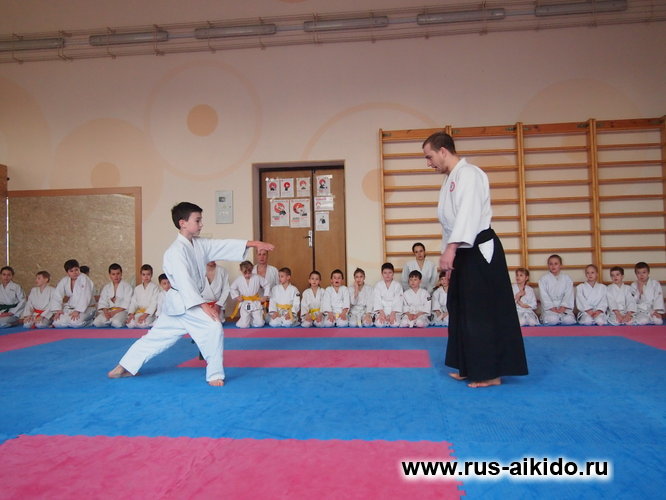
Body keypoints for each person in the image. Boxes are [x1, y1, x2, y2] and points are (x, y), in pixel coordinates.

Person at [108, 201, 274, 386]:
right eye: (198, 220)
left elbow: (222, 245)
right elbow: (184, 282)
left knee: (157, 337)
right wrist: (204, 306)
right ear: (183, 223)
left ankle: (123, 366)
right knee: (213, 327)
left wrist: (254, 243)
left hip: (180, 304)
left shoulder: (198, 244)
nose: (201, 224)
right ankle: (214, 375)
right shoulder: (175, 252)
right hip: (186, 302)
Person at [423, 131, 527, 388]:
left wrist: (451, 249)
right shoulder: (450, 179)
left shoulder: (469, 174)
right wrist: (447, 256)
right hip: (461, 250)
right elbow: (448, 223)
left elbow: (467, 216)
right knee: (460, 308)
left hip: (479, 250)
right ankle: (468, 366)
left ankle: (490, 373)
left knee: (481, 312)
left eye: (429, 157)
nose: (428, 163)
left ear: (443, 151)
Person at [52, 259, 96, 328]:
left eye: (76, 270)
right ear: (67, 272)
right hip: (70, 308)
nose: (74, 272)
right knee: (57, 323)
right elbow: (57, 294)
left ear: (79, 269)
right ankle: (70, 321)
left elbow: (85, 296)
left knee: (75, 323)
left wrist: (78, 311)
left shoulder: (84, 279)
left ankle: (90, 321)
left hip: (86, 308)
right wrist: (58, 310)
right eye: (71, 271)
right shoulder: (65, 280)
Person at [230, 261, 270, 328]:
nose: (247, 275)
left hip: (255, 302)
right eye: (245, 273)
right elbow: (232, 288)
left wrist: (265, 296)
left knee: (260, 324)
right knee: (243, 325)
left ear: (252, 270)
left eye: (249, 273)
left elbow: (267, 284)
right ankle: (247, 320)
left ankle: (251, 320)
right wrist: (237, 297)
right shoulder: (239, 279)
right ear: (241, 270)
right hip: (245, 302)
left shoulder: (257, 277)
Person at [538, 255, 576, 326]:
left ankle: (562, 317)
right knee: (553, 320)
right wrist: (552, 307)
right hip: (550, 309)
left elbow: (569, 294)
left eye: (556, 264)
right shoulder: (543, 279)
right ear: (548, 265)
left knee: (568, 320)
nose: (553, 266)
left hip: (564, 308)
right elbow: (544, 296)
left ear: (560, 265)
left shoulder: (567, 279)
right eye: (551, 264)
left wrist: (563, 307)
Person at [93, 263, 134, 328]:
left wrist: (114, 312)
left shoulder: (127, 287)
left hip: (122, 311)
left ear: (121, 274)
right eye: (113, 274)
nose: (116, 276)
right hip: (109, 311)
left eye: (118, 273)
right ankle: (109, 321)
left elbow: (127, 303)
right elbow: (103, 302)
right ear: (110, 275)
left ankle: (115, 321)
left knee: (116, 323)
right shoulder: (106, 287)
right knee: (97, 323)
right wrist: (106, 312)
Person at [126, 264, 160, 328]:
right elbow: (134, 302)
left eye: (148, 274)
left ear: (151, 275)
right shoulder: (137, 288)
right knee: (130, 323)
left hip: (149, 314)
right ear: (141, 275)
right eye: (143, 274)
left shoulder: (155, 288)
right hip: (139, 312)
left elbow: (154, 303)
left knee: (143, 324)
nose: (146, 277)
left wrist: (145, 315)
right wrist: (131, 314)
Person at [373, 262, 403, 328]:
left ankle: (391, 318)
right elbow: (377, 300)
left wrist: (393, 313)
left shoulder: (397, 285)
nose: (387, 275)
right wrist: (381, 313)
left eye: (390, 272)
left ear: (393, 273)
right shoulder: (378, 285)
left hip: (394, 311)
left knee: (394, 324)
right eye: (385, 273)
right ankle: (384, 319)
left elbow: (398, 300)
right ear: (382, 274)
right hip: (382, 310)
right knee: (379, 324)